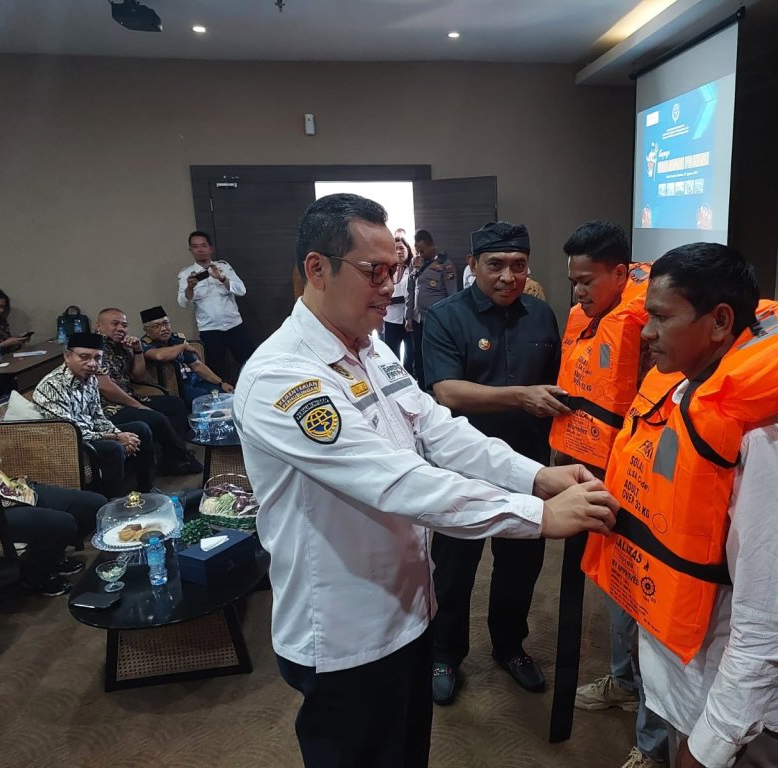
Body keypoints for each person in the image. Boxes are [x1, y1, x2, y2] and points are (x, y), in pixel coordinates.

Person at [233, 193, 618, 768]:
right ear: (317, 269)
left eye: (395, 270)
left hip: (407, 608)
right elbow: (399, 481)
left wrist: (536, 476)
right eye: (374, 271)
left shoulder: (370, 349)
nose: (390, 286)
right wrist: (536, 516)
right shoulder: (283, 377)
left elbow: (440, 430)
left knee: (409, 751)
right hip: (346, 630)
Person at [585, 243, 778, 768]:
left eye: (661, 318)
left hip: (733, 719)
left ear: (719, 322)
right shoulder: (678, 400)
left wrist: (709, 747)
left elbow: (767, 629)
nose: (645, 333)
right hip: (683, 686)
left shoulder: (769, 450)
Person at [421, 220, 569, 706]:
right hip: (461, 468)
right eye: (496, 265)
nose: (509, 276)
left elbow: (557, 386)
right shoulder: (444, 317)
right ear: (472, 265)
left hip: (529, 466)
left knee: (520, 566)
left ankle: (510, 646)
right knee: (453, 569)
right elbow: (446, 392)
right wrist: (521, 396)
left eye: (518, 265)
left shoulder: (542, 315)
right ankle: (444, 654)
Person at [548, 222, 667, 768]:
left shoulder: (652, 326)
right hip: (595, 466)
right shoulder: (590, 315)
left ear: (621, 273)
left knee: (648, 605)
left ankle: (652, 741)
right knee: (616, 587)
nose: (578, 292)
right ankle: (623, 681)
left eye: (587, 281)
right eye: (573, 281)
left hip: (643, 477)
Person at [0, 440, 105, 596]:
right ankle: (35, 575)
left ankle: (52, 557)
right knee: (61, 523)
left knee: (93, 504)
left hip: (9, 489)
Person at [33, 332, 155, 499]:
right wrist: (115, 438)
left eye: (97, 358)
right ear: (67, 356)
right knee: (113, 448)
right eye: (84, 357)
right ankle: (111, 502)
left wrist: (119, 434)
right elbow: (69, 432)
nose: (92, 364)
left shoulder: (90, 379)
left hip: (90, 434)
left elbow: (97, 416)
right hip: (66, 443)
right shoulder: (52, 386)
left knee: (141, 429)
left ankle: (146, 491)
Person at [94, 309, 202, 476]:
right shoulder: (95, 348)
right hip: (108, 407)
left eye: (124, 325)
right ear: (99, 326)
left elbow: (138, 376)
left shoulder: (121, 345)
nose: (120, 328)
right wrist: (138, 406)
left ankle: (170, 459)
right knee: (155, 418)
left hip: (128, 397)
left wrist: (138, 351)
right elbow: (106, 388)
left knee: (175, 404)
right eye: (114, 324)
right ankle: (181, 456)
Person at [177, 230, 255, 380]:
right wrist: (190, 288)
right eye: (195, 246)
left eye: (203, 245)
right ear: (190, 250)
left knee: (250, 363)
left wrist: (221, 278)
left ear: (210, 248)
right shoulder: (186, 274)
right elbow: (183, 303)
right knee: (216, 370)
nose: (200, 249)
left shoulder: (223, 267)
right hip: (210, 329)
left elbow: (241, 290)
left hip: (234, 325)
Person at [140, 306, 234, 406]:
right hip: (173, 387)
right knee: (203, 397)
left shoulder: (176, 339)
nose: (164, 329)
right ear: (146, 330)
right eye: (156, 326)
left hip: (192, 381)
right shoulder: (144, 343)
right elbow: (159, 356)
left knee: (221, 393)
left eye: (166, 323)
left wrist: (220, 383)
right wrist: (183, 346)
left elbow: (197, 366)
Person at [405, 229, 459, 387]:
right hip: (418, 319)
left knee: (436, 354)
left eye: (422, 250)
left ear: (431, 246)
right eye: (417, 250)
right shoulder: (415, 262)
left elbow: (452, 295)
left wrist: (450, 321)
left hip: (436, 319)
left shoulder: (445, 264)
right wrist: (408, 316)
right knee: (418, 354)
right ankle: (422, 387)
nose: (419, 254)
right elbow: (410, 290)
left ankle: (437, 387)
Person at [382, 236, 414, 371]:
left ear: (408, 250)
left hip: (410, 319)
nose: (399, 252)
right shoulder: (386, 270)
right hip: (391, 318)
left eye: (402, 248)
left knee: (410, 354)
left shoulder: (414, 268)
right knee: (392, 354)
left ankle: (410, 376)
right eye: (396, 249)